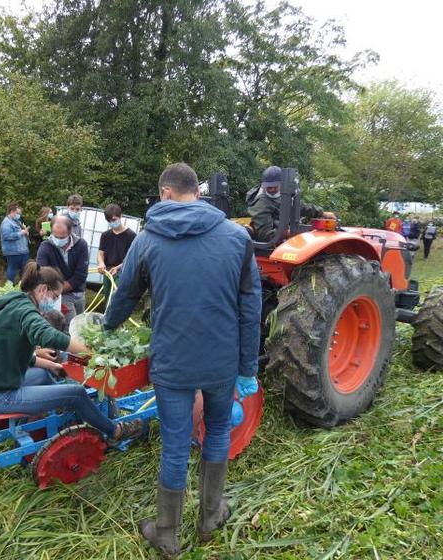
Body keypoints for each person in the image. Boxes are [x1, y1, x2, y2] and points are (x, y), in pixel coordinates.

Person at [104, 163, 262, 555]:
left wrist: (106, 328)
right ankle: (210, 518)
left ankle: (167, 532)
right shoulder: (235, 236)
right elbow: (250, 305)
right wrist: (247, 367)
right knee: (219, 429)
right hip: (221, 360)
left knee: (175, 445)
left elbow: (126, 294)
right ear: (198, 192)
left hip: (172, 362)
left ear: (167, 193)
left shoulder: (148, 238)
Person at [0, 261, 144, 443]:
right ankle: (115, 432)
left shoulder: (15, 303)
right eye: (56, 295)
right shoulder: (26, 312)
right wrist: (91, 353)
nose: (56, 301)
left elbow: (12, 352)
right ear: (42, 289)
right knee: (76, 394)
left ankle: (63, 407)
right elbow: (47, 335)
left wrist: (51, 365)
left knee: (43, 375)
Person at [245, 166, 333, 243]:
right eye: (269, 187)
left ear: (282, 184)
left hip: (283, 236)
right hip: (272, 244)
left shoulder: (282, 195)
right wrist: (290, 232)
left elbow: (298, 206)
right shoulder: (261, 203)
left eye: (274, 186)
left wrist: (322, 213)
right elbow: (266, 235)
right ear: (264, 185)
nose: (271, 189)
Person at [36, 215, 89, 327]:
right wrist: (57, 291)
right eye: (56, 236)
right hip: (60, 294)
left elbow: (81, 274)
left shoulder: (81, 245)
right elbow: (42, 273)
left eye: (62, 237)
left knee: (80, 325)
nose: (59, 240)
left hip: (79, 292)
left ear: (70, 231)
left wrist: (60, 288)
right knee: (70, 325)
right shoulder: (45, 247)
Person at [97, 204, 136, 299]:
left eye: (114, 220)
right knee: (108, 300)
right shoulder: (105, 235)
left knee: (117, 300)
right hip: (108, 272)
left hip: (123, 272)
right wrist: (101, 263)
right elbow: (100, 253)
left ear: (120, 216)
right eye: (109, 221)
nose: (112, 222)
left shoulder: (131, 236)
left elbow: (132, 258)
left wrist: (118, 268)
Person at [0, 202, 30, 284]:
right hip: (13, 251)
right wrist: (21, 233)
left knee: (24, 270)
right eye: (18, 213)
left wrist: (25, 232)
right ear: (12, 211)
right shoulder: (6, 223)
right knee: (12, 269)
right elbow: (7, 236)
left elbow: (21, 232)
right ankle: (9, 287)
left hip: (23, 250)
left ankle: (23, 286)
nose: (19, 215)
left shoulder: (17, 221)